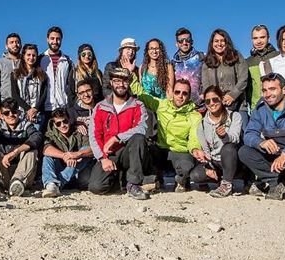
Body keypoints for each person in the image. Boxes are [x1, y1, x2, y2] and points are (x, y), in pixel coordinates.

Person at [239, 72, 285, 200]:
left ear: (284, 90)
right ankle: (279, 182)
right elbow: (249, 134)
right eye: (265, 90)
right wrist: (261, 142)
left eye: (273, 89)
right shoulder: (260, 109)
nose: (268, 94)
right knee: (244, 151)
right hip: (274, 155)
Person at [130, 74, 201, 192]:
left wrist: (194, 149)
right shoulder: (162, 105)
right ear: (172, 93)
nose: (180, 96)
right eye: (177, 92)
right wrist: (131, 74)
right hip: (162, 150)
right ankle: (156, 179)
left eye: (185, 93)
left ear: (189, 96)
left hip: (180, 151)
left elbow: (194, 138)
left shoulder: (195, 116)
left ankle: (182, 180)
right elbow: (142, 95)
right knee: (148, 150)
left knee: (185, 165)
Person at [88, 67, 151, 200]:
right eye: (117, 81)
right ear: (111, 83)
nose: (121, 85)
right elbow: (94, 136)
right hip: (109, 154)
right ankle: (121, 179)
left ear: (129, 83)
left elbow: (142, 128)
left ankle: (133, 184)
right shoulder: (100, 107)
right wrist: (102, 158)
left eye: (125, 81)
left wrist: (117, 138)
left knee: (138, 138)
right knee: (96, 187)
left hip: (129, 152)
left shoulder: (138, 105)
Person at [187, 85, 242, 197]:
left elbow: (236, 138)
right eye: (207, 101)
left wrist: (225, 136)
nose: (212, 103)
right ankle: (221, 179)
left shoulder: (235, 116)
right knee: (196, 175)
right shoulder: (202, 124)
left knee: (228, 148)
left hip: (233, 160)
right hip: (215, 163)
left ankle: (227, 184)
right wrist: (207, 165)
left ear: (221, 99)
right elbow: (206, 149)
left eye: (215, 99)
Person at [0, 98, 43, 196]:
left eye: (14, 111)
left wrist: (16, 151)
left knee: (32, 151)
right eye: (7, 113)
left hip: (22, 175)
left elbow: (36, 137)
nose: (11, 115)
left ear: (19, 113)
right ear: (2, 116)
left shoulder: (26, 125)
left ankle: (17, 183)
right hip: (4, 172)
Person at [41, 108, 96, 198]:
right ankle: (51, 184)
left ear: (69, 120)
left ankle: (57, 183)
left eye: (65, 121)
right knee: (47, 157)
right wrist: (64, 156)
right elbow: (46, 149)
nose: (63, 125)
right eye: (58, 123)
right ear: (54, 125)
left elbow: (92, 149)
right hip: (61, 168)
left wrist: (77, 154)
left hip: (79, 174)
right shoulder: (50, 135)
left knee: (85, 152)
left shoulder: (80, 131)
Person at [200, 29, 249, 126]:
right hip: (216, 105)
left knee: (243, 133)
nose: (219, 44)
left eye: (222, 41)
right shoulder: (207, 62)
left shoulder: (236, 56)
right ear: (212, 43)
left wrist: (232, 95)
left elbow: (243, 78)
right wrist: (215, 99)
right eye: (216, 41)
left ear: (227, 42)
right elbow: (206, 85)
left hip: (237, 104)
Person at [11, 44, 49, 128]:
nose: (31, 57)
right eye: (28, 55)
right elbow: (15, 94)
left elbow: (44, 94)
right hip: (20, 114)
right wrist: (28, 109)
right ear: (23, 56)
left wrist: (35, 109)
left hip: (37, 114)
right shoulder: (15, 74)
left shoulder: (42, 74)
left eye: (34, 55)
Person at [39, 26, 72, 118]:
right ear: (47, 39)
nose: (55, 41)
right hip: (44, 108)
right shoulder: (40, 59)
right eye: (52, 38)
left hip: (62, 106)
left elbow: (69, 84)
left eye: (58, 39)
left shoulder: (67, 61)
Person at [246, 25, 278, 108]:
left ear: (269, 38)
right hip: (256, 108)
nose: (259, 41)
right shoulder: (247, 62)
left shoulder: (278, 57)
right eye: (255, 38)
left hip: (277, 107)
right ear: (252, 40)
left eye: (262, 37)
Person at [171, 27, 204, 105]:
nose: (184, 43)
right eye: (181, 41)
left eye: (187, 40)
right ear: (176, 44)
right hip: (181, 107)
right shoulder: (172, 63)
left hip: (200, 106)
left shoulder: (202, 57)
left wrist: (204, 94)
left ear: (192, 41)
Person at [0, 32, 22, 108]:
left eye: (17, 42)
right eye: (11, 42)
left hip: (23, 105)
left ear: (21, 45)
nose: (15, 44)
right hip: (6, 105)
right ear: (6, 46)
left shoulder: (26, 62)